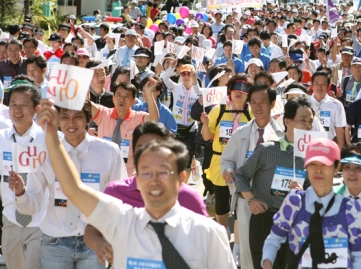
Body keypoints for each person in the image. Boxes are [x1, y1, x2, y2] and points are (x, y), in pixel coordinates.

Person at [36, 100, 236, 268]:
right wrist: (52, 136)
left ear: (181, 178)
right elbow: (73, 189)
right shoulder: (123, 221)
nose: (155, 180)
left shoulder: (209, 233)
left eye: (164, 172)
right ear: (137, 178)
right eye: (147, 172)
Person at [12, 100, 126, 268]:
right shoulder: (45, 153)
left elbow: (119, 203)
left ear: (88, 120)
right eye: (64, 117)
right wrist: (21, 194)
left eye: (78, 117)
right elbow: (33, 205)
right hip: (54, 244)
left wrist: (114, 242)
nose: (71, 123)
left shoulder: (109, 151)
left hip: (95, 244)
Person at [261, 138, 361, 269]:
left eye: (324, 164)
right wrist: (267, 262)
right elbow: (274, 239)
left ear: (337, 167)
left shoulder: (351, 208)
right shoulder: (294, 202)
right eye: (313, 164)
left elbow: (359, 254)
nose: (318, 170)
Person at [233, 97, 312, 269]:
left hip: (294, 221)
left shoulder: (311, 156)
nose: (307, 125)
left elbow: (313, 189)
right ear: (287, 121)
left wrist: (303, 193)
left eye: (310, 121)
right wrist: (251, 200)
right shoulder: (267, 149)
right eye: (303, 120)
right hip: (265, 220)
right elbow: (240, 175)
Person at [220, 82, 285, 269]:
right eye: (253, 102)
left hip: (274, 201)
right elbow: (227, 160)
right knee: (248, 248)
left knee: (275, 246)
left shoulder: (283, 134)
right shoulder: (240, 133)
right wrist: (228, 171)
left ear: (272, 104)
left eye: (262, 102)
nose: (257, 106)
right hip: (246, 199)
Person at [0, 82, 46, 269]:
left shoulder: (48, 139)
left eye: (23, 104)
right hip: (11, 219)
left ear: (36, 109)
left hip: (40, 223)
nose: (17, 110)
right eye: (13, 104)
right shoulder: (1, 138)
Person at [200, 75, 253, 229]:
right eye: (235, 88)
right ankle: (223, 231)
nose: (239, 92)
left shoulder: (251, 112)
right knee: (222, 201)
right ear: (229, 91)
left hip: (243, 163)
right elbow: (206, 136)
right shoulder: (219, 109)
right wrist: (204, 124)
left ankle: (237, 237)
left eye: (243, 89)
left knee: (241, 202)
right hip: (220, 161)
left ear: (248, 93)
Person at [308, 71, 347, 149]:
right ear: (312, 85)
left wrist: (340, 154)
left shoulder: (337, 105)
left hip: (328, 147)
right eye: (316, 83)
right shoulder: (304, 103)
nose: (319, 87)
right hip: (308, 146)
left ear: (328, 86)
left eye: (323, 84)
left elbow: (339, 130)